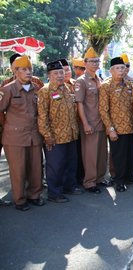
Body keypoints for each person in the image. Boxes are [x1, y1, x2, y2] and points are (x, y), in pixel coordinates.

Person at [0, 55, 44, 211]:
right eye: (24, 69)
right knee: (18, 170)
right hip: (15, 137)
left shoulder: (37, 89)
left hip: (34, 134)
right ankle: (19, 200)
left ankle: (34, 195)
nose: (28, 72)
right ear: (15, 71)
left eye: (30, 69)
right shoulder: (7, 89)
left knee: (35, 167)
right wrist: (8, 126)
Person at [38, 60, 81, 202]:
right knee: (55, 166)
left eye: (61, 72)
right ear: (49, 75)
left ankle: (69, 186)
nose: (60, 75)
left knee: (70, 163)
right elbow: (42, 116)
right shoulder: (45, 91)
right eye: (55, 73)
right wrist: (47, 136)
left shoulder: (67, 89)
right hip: (55, 136)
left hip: (71, 133)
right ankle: (54, 193)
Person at [99, 57, 133, 192]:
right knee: (119, 156)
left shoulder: (129, 84)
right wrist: (110, 129)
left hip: (130, 126)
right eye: (117, 68)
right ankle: (119, 180)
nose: (121, 70)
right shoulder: (106, 86)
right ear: (111, 70)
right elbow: (104, 110)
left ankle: (131, 177)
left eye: (123, 68)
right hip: (116, 128)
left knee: (131, 153)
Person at [75, 47, 110, 193]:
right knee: (90, 154)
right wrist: (85, 123)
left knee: (102, 153)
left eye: (97, 61)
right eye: (92, 61)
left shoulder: (98, 79)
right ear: (85, 63)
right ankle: (89, 182)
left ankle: (100, 178)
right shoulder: (81, 81)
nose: (95, 63)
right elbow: (80, 103)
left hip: (101, 122)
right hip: (90, 123)